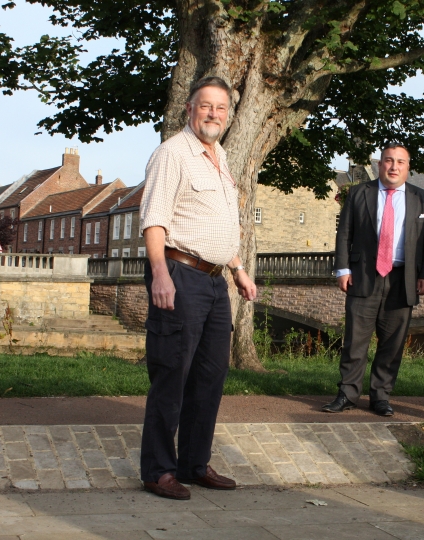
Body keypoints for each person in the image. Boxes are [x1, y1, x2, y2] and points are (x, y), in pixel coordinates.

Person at [139, 76, 257, 500]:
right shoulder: (173, 154)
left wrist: (239, 268)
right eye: (205, 106)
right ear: (190, 109)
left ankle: (193, 463)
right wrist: (160, 273)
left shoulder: (220, 157)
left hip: (215, 280)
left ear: (228, 116)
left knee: (210, 375)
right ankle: (157, 470)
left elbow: (223, 223)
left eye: (220, 108)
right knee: (172, 373)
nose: (213, 114)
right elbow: (155, 217)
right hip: (180, 273)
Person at [322, 143, 424, 416]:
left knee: (392, 343)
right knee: (355, 341)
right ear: (379, 164)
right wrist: (342, 269)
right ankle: (348, 394)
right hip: (363, 276)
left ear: (408, 167)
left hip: (403, 279)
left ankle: (380, 397)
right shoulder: (359, 193)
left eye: (400, 161)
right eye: (388, 160)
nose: (394, 166)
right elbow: (344, 233)